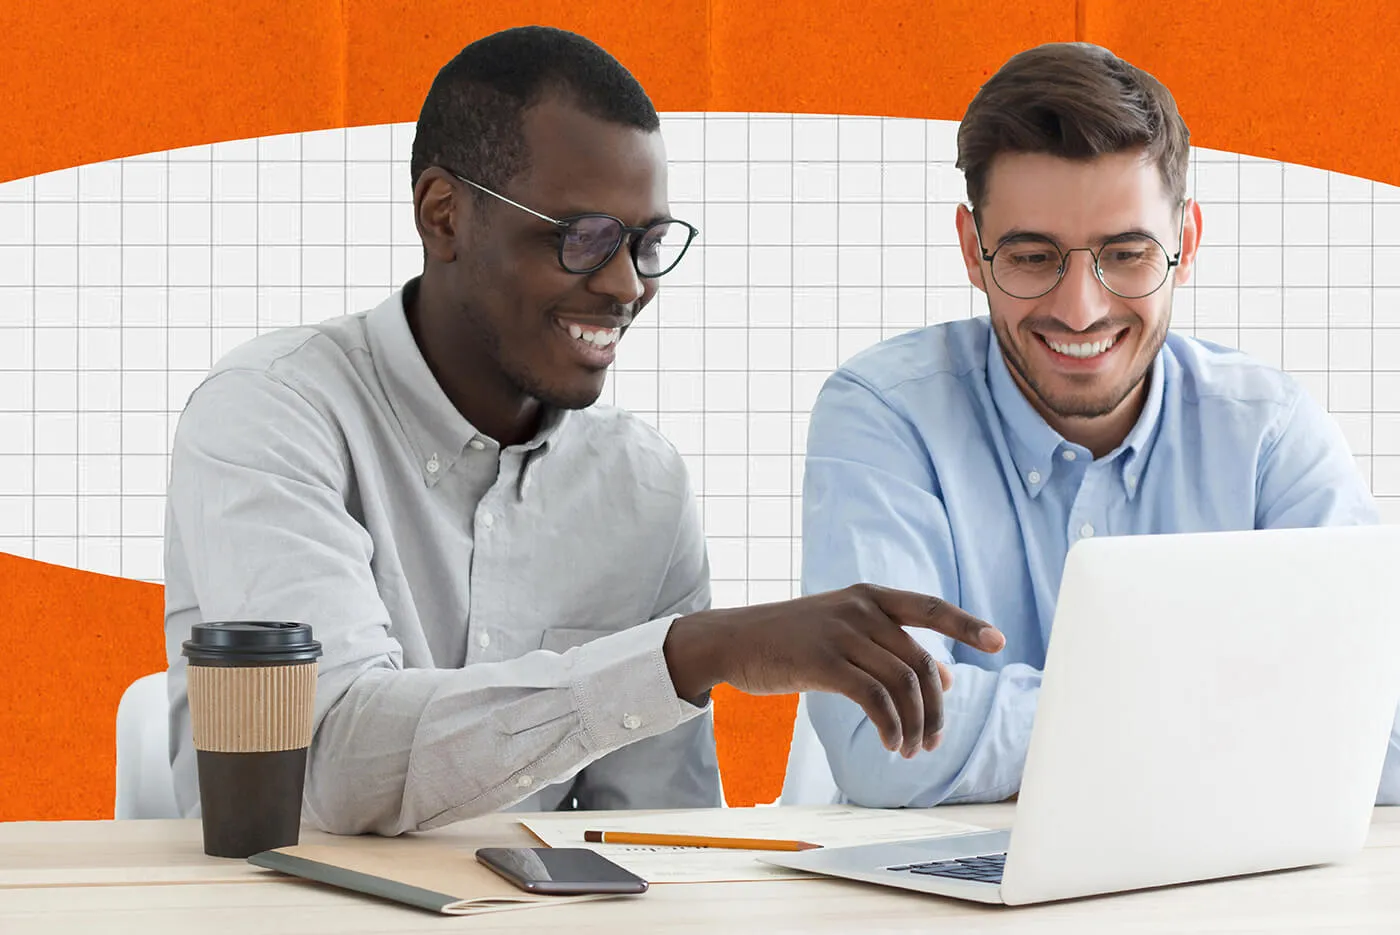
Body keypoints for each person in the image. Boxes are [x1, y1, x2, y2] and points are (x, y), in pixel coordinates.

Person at [162, 25, 1004, 837]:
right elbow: (335, 763)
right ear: (444, 215)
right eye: (583, 238)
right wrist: (686, 656)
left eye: (646, 242)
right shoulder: (271, 415)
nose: (627, 285)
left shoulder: (643, 487)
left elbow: (655, 840)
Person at [797, 41, 1399, 808]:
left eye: (1126, 253)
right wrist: (1234, 704)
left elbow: (1381, 731)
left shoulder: (1269, 435)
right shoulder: (884, 415)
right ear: (971, 252)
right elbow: (883, 743)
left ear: (1186, 243)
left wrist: (1059, 720)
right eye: (1030, 256)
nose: (1080, 307)